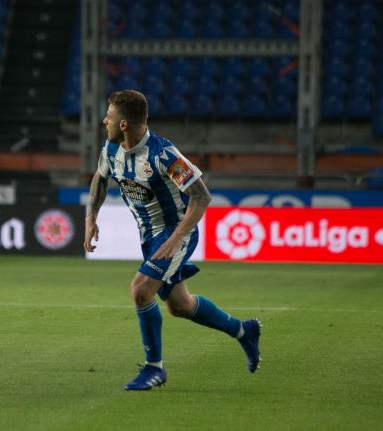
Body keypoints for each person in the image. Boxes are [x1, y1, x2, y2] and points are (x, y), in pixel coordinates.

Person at [84, 90, 261, 391]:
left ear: (124, 124)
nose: (105, 121)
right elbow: (100, 179)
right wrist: (91, 219)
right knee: (179, 305)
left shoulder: (164, 155)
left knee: (140, 290)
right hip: (150, 237)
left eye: (109, 117)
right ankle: (244, 331)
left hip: (177, 232)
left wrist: (177, 236)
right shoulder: (110, 150)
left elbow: (202, 196)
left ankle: (155, 368)